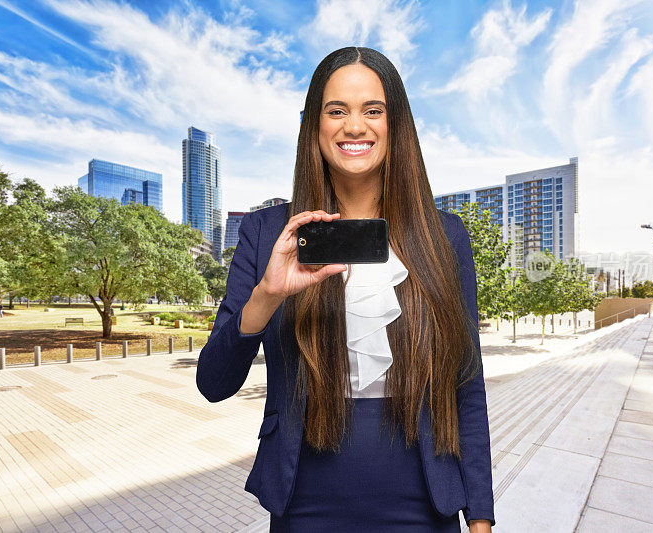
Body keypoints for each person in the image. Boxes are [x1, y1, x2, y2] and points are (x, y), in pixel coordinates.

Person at [196, 46, 494, 532]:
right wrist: (267, 296)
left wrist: (480, 516)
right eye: (337, 111)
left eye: (372, 110)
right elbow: (213, 384)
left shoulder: (444, 236)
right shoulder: (269, 231)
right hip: (307, 503)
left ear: (396, 125)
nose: (355, 126)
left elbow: (467, 386)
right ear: (314, 126)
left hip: (423, 500)